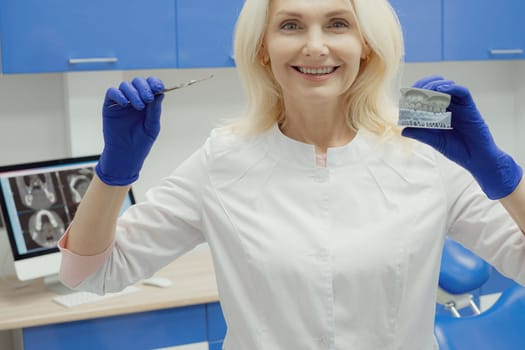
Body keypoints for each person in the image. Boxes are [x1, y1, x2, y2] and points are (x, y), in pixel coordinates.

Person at [58, 0, 525, 348]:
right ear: (263, 49)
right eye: (290, 25)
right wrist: (115, 174)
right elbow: (89, 272)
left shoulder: (424, 153)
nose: (315, 45)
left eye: (338, 24)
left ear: (366, 47)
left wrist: (502, 174)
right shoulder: (222, 160)